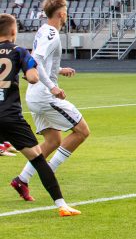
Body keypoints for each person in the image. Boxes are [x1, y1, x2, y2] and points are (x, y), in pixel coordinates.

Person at [0, 14, 81, 216]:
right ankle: (61, 205)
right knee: (38, 159)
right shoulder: (18, 51)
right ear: (13, 32)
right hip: (10, 116)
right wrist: (29, 75)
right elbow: (34, 77)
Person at [11, 0, 89, 204]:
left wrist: (59, 70)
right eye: (66, 11)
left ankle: (22, 179)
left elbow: (41, 61)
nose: (67, 14)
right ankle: (49, 173)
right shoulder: (52, 34)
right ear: (61, 14)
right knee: (82, 131)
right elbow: (36, 61)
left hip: (35, 94)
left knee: (53, 141)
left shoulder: (43, 30)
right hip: (44, 95)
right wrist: (52, 86)